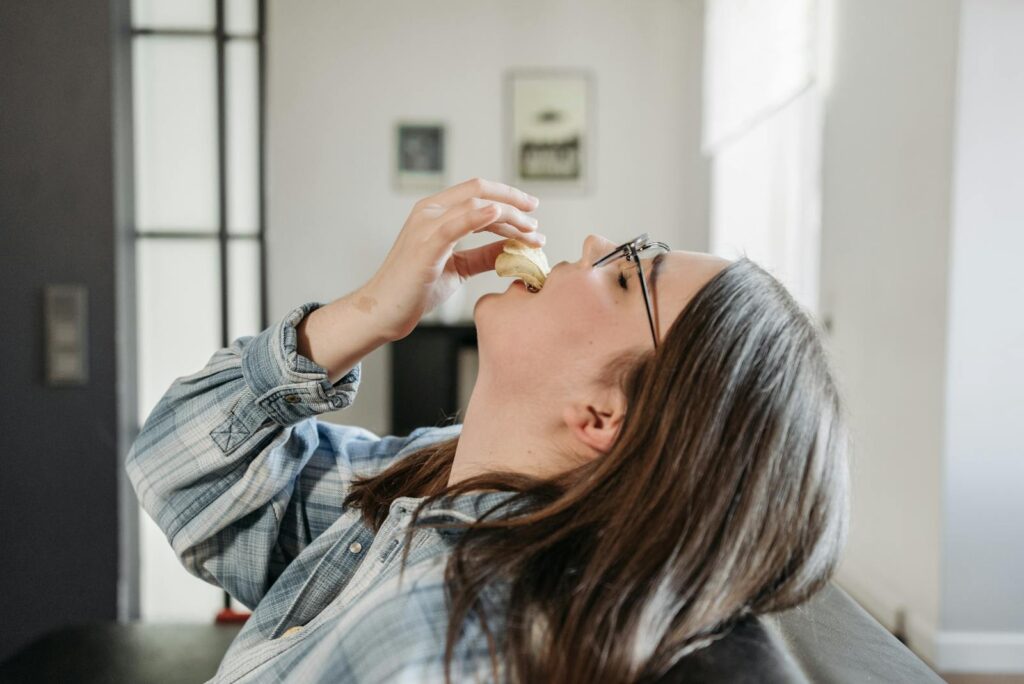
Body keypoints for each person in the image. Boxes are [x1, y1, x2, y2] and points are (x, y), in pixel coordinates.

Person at [126, 178, 849, 683]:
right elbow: (178, 469)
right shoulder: (432, 479)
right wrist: (371, 311)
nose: (597, 239)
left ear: (603, 415)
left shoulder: (450, 647)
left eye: (628, 277)